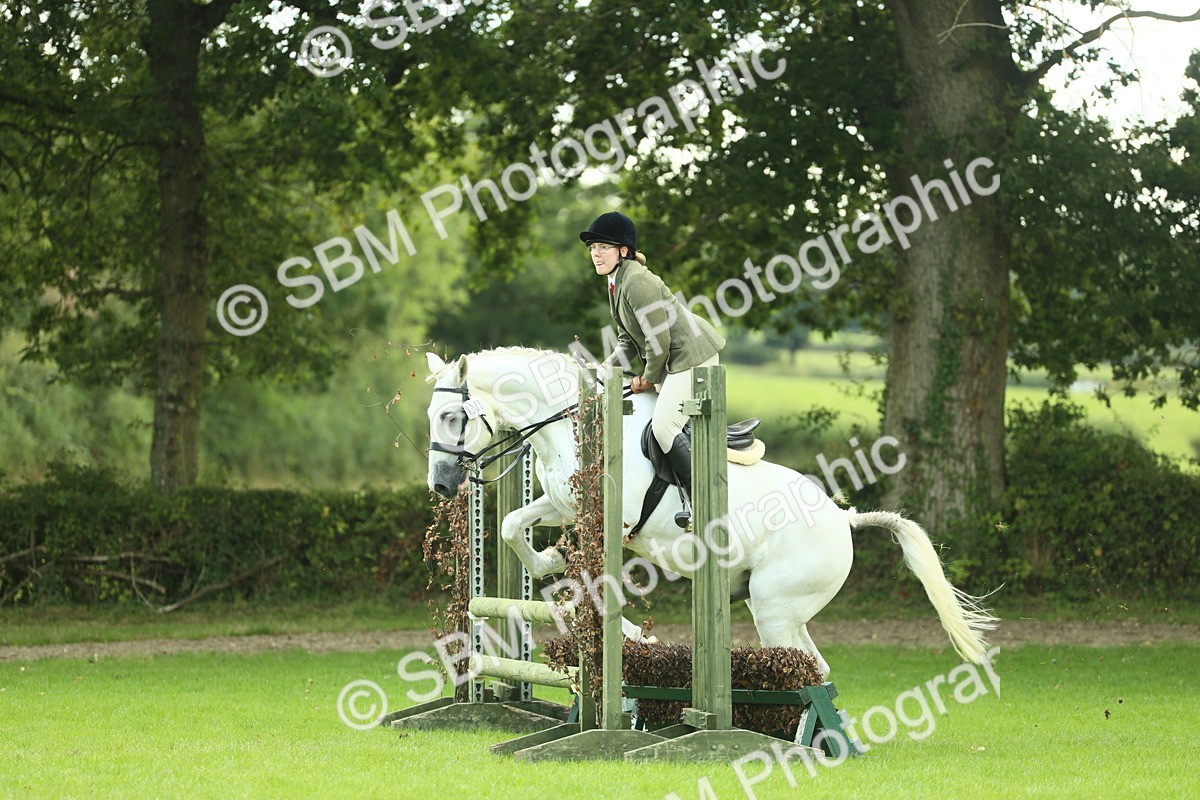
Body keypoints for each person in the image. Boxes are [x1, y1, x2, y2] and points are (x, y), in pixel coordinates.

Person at [580, 211, 725, 527]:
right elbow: (627, 340)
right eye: (592, 248)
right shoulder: (616, 282)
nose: (595, 254)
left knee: (663, 427)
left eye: (602, 247)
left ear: (623, 250)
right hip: (673, 359)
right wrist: (606, 369)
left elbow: (658, 339)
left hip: (691, 357)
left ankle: (705, 498)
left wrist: (647, 379)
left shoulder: (638, 281)